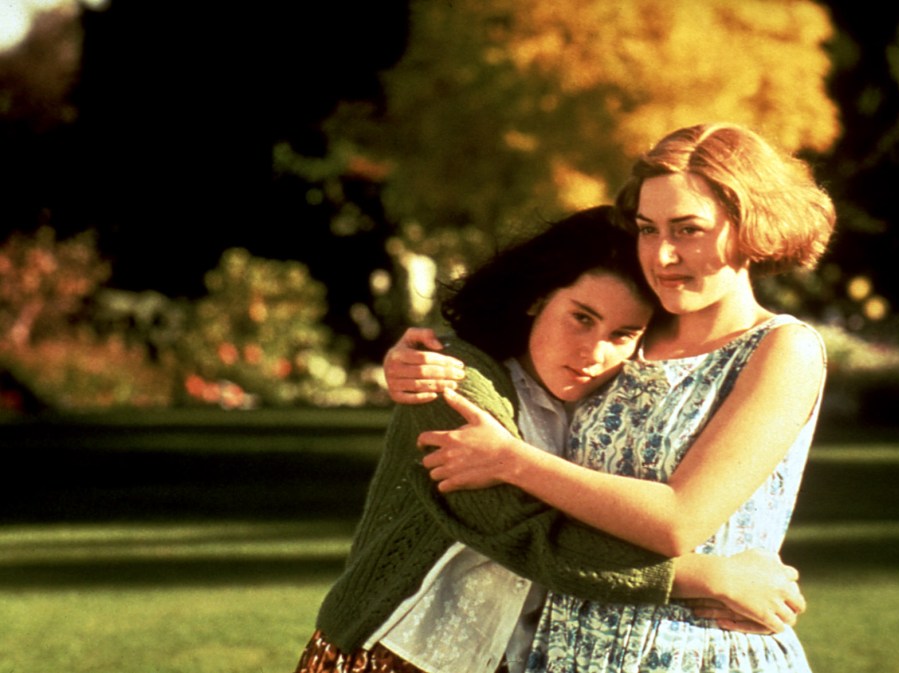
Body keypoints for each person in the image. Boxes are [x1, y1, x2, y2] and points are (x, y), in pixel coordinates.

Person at [394, 123, 835, 672]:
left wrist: (511, 461)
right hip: (561, 651)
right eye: (648, 230)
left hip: (695, 653)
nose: (663, 255)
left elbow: (677, 522)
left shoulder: (780, 350)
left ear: (751, 225)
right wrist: (413, 357)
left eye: (687, 230)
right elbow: (518, 350)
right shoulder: (628, 333)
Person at [295, 206, 807, 673]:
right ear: (538, 297)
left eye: (622, 334)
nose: (593, 352)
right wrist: (710, 579)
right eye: (581, 318)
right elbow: (526, 535)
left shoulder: (608, 405)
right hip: (389, 654)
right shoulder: (450, 381)